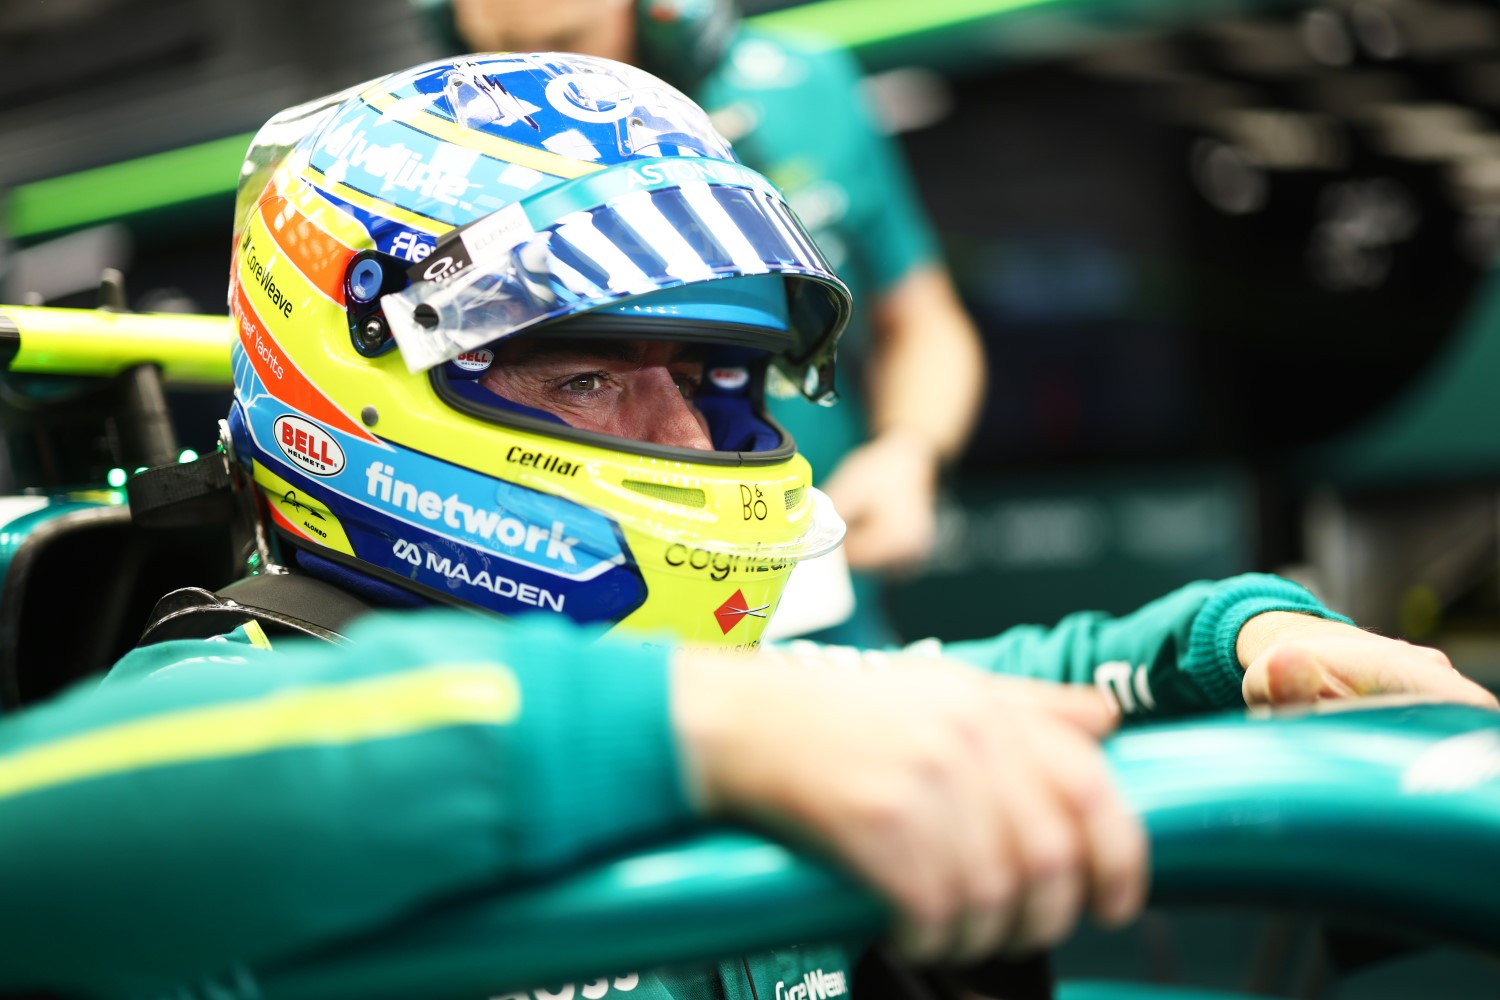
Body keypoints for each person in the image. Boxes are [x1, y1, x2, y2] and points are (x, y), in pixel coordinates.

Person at [0, 53, 1493, 1000]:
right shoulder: (217, 707)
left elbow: (1043, 666)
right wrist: (669, 730)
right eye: (591, 375)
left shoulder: (741, 682)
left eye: (716, 381)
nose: (687, 436)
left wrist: (1247, 642)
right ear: (370, 384)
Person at [428, 0, 989, 645]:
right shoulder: (423, 146)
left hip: (815, 585)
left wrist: (907, 454)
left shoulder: (803, 87)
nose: (532, 79)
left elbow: (922, 322)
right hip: (565, 605)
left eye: (571, 39)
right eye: (498, 49)